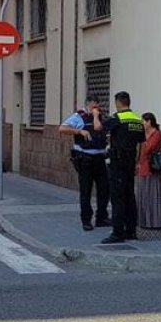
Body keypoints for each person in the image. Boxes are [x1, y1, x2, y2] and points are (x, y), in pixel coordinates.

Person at [96, 91, 145, 244]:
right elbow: (141, 144)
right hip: (131, 162)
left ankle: (117, 233)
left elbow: (98, 128)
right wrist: (138, 162)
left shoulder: (117, 118)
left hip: (117, 163)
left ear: (118, 103)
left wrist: (96, 115)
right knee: (130, 196)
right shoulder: (137, 120)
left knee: (117, 197)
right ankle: (131, 231)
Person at [59, 96, 110, 231]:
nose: (96, 109)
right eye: (94, 106)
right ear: (88, 104)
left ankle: (101, 217)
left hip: (99, 158)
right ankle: (86, 220)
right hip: (84, 159)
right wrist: (79, 131)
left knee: (104, 189)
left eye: (97, 106)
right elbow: (62, 128)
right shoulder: (79, 116)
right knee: (86, 191)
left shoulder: (100, 117)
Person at [136, 112, 161, 230]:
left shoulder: (156, 134)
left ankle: (153, 221)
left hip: (151, 167)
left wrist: (143, 142)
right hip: (142, 166)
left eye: (144, 121)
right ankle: (143, 220)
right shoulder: (144, 134)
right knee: (142, 193)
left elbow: (148, 148)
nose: (142, 124)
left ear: (149, 122)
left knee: (152, 194)